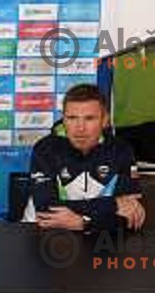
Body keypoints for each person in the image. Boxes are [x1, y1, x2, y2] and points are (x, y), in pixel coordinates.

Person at [23, 83, 145, 232]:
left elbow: (130, 216)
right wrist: (113, 204)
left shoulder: (121, 150)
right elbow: (46, 210)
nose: (80, 128)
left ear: (105, 120)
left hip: (97, 235)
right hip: (40, 232)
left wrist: (84, 223)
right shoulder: (46, 148)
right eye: (72, 118)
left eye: (89, 118)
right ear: (64, 118)